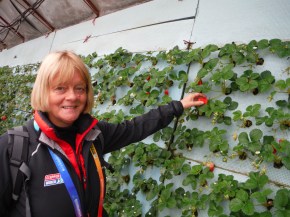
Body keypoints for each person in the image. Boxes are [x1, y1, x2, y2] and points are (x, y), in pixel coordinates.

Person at [0, 50, 206, 217]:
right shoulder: (14, 148)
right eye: (60, 88)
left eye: (79, 88)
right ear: (43, 91)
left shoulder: (93, 134)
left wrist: (178, 106)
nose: (72, 97)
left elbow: (134, 128)